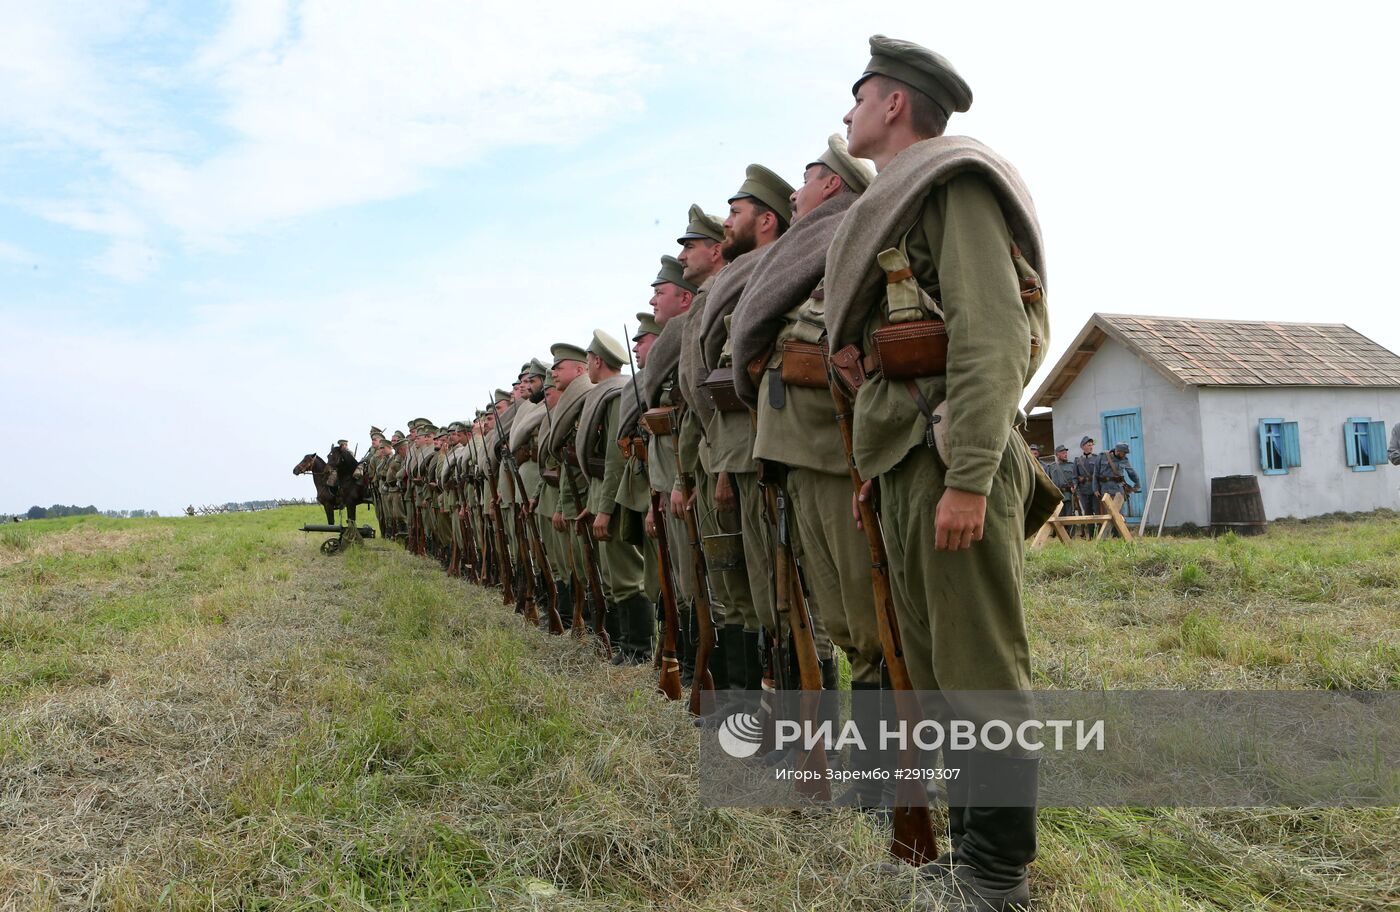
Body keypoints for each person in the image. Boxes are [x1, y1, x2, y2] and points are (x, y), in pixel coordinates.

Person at [824, 35, 1052, 911]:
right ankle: (966, 856)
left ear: (892, 105)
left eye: (857, 96)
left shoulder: (951, 183)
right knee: (932, 672)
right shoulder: (892, 205)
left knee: (979, 672)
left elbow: (991, 333)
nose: (845, 114)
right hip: (907, 460)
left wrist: (966, 477)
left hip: (950, 458)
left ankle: (998, 877)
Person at [1044, 444, 1077, 520]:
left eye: (1066, 453)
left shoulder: (1071, 465)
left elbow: (1075, 479)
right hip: (1057, 497)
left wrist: (1075, 487)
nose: (1065, 454)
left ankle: (1069, 532)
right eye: (1063, 453)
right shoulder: (1051, 467)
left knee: (1070, 518)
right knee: (1058, 519)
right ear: (1057, 455)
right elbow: (1048, 482)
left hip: (1068, 496)